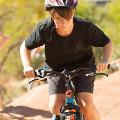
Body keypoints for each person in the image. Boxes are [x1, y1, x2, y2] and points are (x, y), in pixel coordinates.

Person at [20, 0, 113, 120]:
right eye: (59, 18)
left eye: (67, 17)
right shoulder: (45, 29)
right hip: (55, 68)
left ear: (73, 12)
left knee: (86, 105)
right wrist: (27, 66)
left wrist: (105, 60)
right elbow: (25, 47)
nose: (64, 23)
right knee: (55, 107)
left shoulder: (85, 27)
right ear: (52, 15)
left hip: (84, 65)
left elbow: (106, 42)